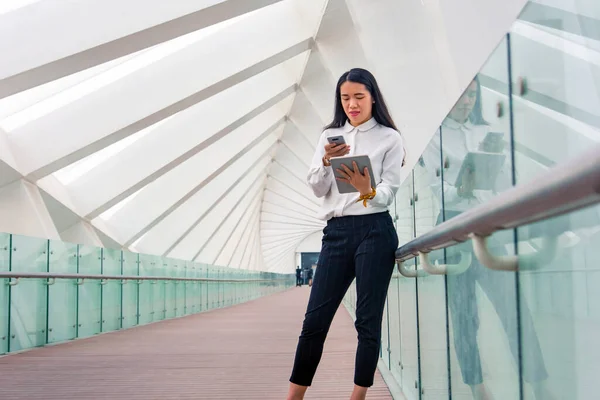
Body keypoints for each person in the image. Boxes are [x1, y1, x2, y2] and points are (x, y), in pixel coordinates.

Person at [422, 76, 554, 400]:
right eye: (460, 96)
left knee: (514, 308)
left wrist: (497, 177)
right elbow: (437, 191)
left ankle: (539, 383)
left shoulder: (487, 132)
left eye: (472, 95)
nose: (467, 102)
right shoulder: (433, 137)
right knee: (465, 315)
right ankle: (477, 387)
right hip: (453, 229)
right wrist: (461, 188)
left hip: (489, 225)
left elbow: (508, 181)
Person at [286, 68, 404, 400]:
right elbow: (317, 187)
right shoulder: (329, 136)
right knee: (314, 322)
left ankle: (358, 396)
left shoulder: (389, 138)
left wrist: (366, 189)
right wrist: (325, 161)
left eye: (359, 97)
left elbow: (389, 191)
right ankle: (293, 396)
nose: (352, 104)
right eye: (345, 98)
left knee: (367, 322)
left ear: (372, 98)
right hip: (336, 233)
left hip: (375, 230)